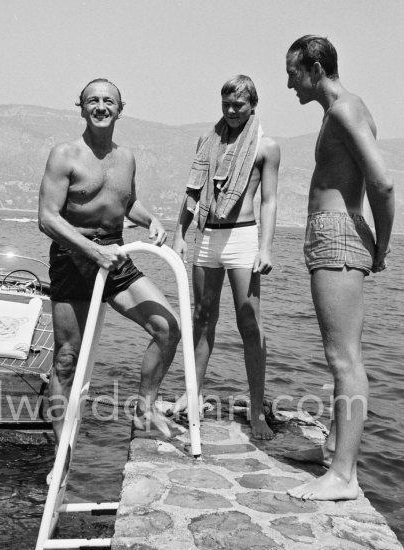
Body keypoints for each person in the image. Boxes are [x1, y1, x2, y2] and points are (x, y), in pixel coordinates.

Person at [38, 78, 184, 449]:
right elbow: (48, 218)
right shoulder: (65, 154)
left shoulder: (126, 157)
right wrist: (89, 249)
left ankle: (145, 408)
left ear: (121, 109)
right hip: (72, 258)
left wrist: (150, 219)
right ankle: (62, 450)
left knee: (168, 328)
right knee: (67, 359)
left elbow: (124, 200)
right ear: (81, 107)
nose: (100, 107)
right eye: (92, 101)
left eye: (108, 101)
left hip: (115, 257)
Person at [285, 35, 394, 500]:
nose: (289, 83)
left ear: (313, 67)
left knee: (344, 358)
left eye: (292, 72)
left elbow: (383, 184)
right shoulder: (341, 111)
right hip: (334, 232)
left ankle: (344, 476)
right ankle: (333, 446)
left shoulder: (346, 109)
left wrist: (383, 246)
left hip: (339, 234)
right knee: (340, 356)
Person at [171, 75, 280, 440]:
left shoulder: (266, 147)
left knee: (249, 322)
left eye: (239, 105)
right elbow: (192, 191)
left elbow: (269, 200)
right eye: (227, 104)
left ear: (253, 105)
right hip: (207, 235)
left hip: (242, 237)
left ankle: (256, 411)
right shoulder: (208, 141)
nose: (232, 111)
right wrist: (179, 234)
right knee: (202, 318)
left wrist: (265, 247)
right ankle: (193, 395)